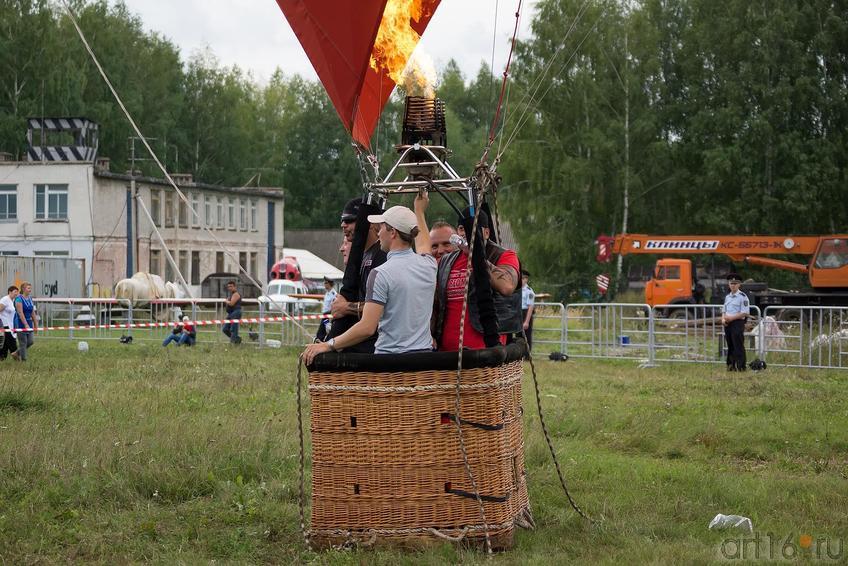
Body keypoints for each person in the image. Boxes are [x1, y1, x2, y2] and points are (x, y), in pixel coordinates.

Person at [303, 201, 435, 363]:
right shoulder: (428, 265)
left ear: (392, 232)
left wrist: (328, 345)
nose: (378, 233)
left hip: (390, 360)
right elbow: (423, 243)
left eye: (381, 228)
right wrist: (419, 211)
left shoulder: (381, 274)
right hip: (424, 359)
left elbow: (367, 327)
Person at [432, 206, 522, 351]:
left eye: (472, 228)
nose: (466, 232)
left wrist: (475, 255)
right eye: (462, 228)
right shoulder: (446, 261)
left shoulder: (503, 255)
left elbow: (507, 286)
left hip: (485, 351)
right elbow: (434, 302)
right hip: (447, 352)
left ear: (486, 233)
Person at [327, 197, 388, 353]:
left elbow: (384, 307)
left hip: (374, 343)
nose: (343, 225)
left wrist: (346, 307)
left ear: (372, 223)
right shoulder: (360, 257)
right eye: (342, 220)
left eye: (349, 220)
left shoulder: (381, 256)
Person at [722, 273, 749, 371]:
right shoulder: (727, 297)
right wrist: (723, 319)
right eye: (731, 283)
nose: (733, 285)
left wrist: (731, 318)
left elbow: (744, 313)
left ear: (739, 284)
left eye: (735, 283)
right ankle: (731, 366)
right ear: (729, 284)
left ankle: (741, 366)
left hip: (737, 323)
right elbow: (724, 310)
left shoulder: (743, 297)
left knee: (738, 345)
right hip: (728, 323)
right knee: (730, 345)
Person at [13, 281, 37, 361]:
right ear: (23, 289)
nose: (30, 290)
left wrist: (36, 324)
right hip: (20, 322)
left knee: (30, 341)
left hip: (29, 322)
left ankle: (16, 353)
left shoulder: (30, 298)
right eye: (28, 288)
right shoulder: (18, 299)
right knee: (23, 343)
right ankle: (24, 360)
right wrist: (25, 324)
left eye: (30, 288)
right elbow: (20, 312)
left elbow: (32, 312)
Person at [0, 285, 19, 361]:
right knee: (13, 345)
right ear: (10, 292)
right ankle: (19, 361)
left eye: (17, 292)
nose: (16, 294)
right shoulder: (5, 300)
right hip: (5, 325)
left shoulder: (12, 300)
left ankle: (1, 358)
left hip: (10, 326)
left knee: (5, 345)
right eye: (15, 292)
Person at [316, 277, 336, 341]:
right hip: (325, 314)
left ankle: (319, 340)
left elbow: (334, 305)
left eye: (325, 283)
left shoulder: (333, 294)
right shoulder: (327, 293)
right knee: (326, 329)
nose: (324, 284)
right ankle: (322, 340)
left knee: (323, 329)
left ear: (329, 284)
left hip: (329, 314)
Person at [222, 280, 242, 344]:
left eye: (231, 286)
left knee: (234, 329)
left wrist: (226, 301)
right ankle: (237, 339)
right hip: (231, 313)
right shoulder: (231, 295)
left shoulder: (236, 294)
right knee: (225, 329)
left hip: (236, 312)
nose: (229, 288)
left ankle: (233, 343)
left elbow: (231, 304)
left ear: (235, 287)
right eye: (228, 287)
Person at [521, 270, 536, 356]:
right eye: (521, 278)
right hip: (518, 313)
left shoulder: (529, 291)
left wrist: (526, 321)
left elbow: (530, 307)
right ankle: (519, 354)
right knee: (519, 334)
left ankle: (527, 355)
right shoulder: (517, 289)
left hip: (525, 313)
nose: (522, 280)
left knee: (526, 335)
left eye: (524, 278)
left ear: (526, 279)